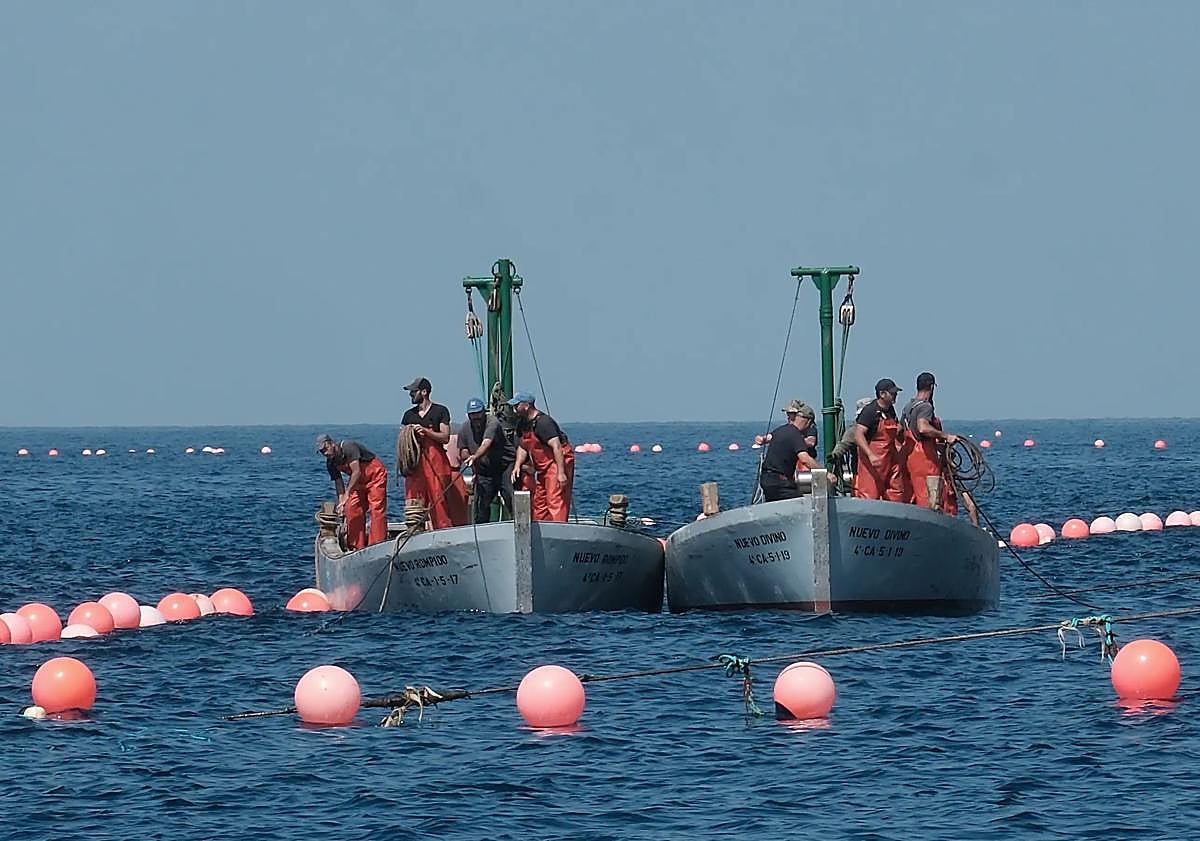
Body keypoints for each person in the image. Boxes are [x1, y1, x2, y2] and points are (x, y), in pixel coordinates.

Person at [399, 377, 469, 529]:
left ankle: (442, 530)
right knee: (414, 499)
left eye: (413, 392)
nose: (411, 395)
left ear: (423, 392)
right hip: (415, 463)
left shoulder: (440, 411)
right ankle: (414, 529)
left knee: (438, 498)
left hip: (436, 461)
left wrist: (425, 431)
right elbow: (404, 439)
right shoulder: (408, 415)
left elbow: (445, 437)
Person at [900, 371, 961, 515]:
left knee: (914, 496)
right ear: (932, 387)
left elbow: (900, 430)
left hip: (909, 456)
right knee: (930, 501)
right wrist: (946, 436)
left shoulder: (908, 406)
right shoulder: (926, 407)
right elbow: (923, 427)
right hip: (925, 459)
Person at [508, 391, 574, 522]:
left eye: (517, 405)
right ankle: (542, 528)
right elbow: (523, 446)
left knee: (555, 499)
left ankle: (558, 528)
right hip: (543, 468)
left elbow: (557, 447)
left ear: (526, 406)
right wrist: (517, 465)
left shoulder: (544, 423)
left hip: (556, 462)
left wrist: (561, 473)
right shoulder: (522, 423)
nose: (514, 409)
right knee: (540, 501)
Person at [316, 433, 389, 550]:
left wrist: (347, 494)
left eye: (326, 449)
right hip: (358, 483)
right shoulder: (331, 463)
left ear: (331, 443)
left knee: (376, 509)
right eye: (322, 452)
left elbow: (356, 471)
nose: (325, 453)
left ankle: (377, 544)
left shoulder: (348, 447)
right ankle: (356, 546)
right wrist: (341, 503)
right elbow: (339, 484)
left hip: (375, 476)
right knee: (352, 508)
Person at [458, 396, 516, 523]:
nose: (476, 418)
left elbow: (486, 443)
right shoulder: (464, 429)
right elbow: (463, 449)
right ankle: (481, 528)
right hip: (484, 470)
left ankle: (517, 523)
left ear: (484, 412)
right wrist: (467, 458)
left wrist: (475, 456)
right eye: (472, 415)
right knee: (482, 504)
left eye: (478, 413)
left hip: (504, 467)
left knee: (509, 495)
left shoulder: (492, 422)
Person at [853, 378, 907, 501]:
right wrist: (871, 455)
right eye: (892, 393)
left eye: (895, 393)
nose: (895, 395)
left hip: (890, 457)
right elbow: (858, 435)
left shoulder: (890, 410)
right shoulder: (869, 411)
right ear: (882, 394)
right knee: (870, 495)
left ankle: (895, 515)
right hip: (872, 461)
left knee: (896, 491)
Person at [759, 399, 821, 501]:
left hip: (767, 479)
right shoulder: (795, 435)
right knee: (801, 505)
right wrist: (825, 473)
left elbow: (811, 441)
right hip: (780, 481)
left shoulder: (781, 430)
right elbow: (804, 458)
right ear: (808, 421)